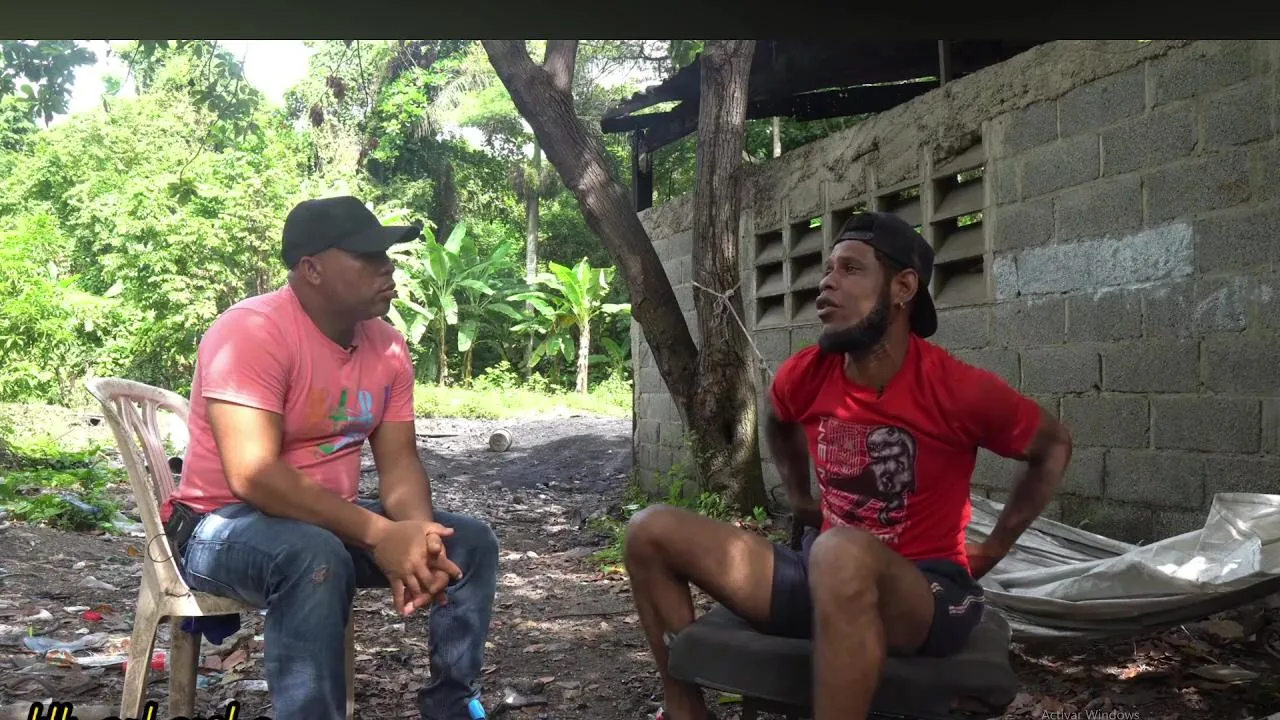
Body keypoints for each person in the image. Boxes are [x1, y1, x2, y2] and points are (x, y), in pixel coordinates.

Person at [624, 212, 1073, 720]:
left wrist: (994, 546)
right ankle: (684, 709)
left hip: (923, 590)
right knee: (649, 530)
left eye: (851, 269)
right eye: (827, 270)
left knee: (838, 551)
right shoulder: (807, 373)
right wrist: (800, 498)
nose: (826, 284)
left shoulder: (957, 389)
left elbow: (1053, 446)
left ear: (903, 287)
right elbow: (778, 418)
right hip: (820, 572)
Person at [160, 195, 500, 720]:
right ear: (311, 269)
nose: (386, 267)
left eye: (386, 254)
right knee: (314, 556)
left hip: (326, 522)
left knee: (469, 542)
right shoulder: (252, 332)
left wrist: (417, 536)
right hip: (219, 526)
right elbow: (254, 476)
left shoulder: (387, 347)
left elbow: (400, 463)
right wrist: (380, 535)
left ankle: (451, 705)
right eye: (366, 256)